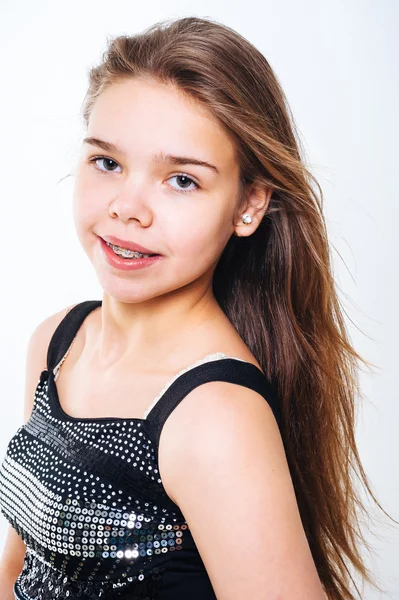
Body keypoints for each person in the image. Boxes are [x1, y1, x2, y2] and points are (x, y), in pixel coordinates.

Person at [0, 15, 391, 600]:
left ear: (249, 206)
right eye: (107, 163)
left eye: (181, 180)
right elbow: (20, 570)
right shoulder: (58, 341)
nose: (128, 208)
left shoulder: (213, 415)